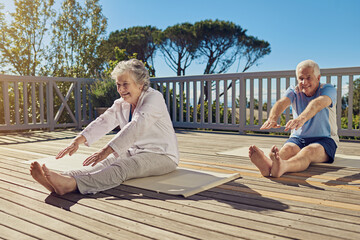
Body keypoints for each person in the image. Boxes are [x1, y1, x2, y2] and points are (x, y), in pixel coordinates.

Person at [30, 59, 179, 195]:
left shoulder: (154, 98)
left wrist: (106, 150)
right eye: (118, 85)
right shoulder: (121, 103)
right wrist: (77, 141)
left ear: (140, 84)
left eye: (125, 84)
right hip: (135, 151)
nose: (121, 90)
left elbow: (137, 125)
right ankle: (63, 178)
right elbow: (103, 121)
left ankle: (71, 184)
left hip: (162, 155)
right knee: (103, 163)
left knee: (124, 167)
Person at [249, 59, 339, 178]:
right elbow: (282, 102)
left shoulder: (327, 89)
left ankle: (282, 166)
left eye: (308, 77)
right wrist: (272, 117)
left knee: (307, 152)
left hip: (325, 140)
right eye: (301, 78)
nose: (304, 82)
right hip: (298, 138)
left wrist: (301, 118)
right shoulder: (294, 90)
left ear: (318, 78)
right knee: (286, 150)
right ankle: (270, 166)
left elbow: (317, 104)